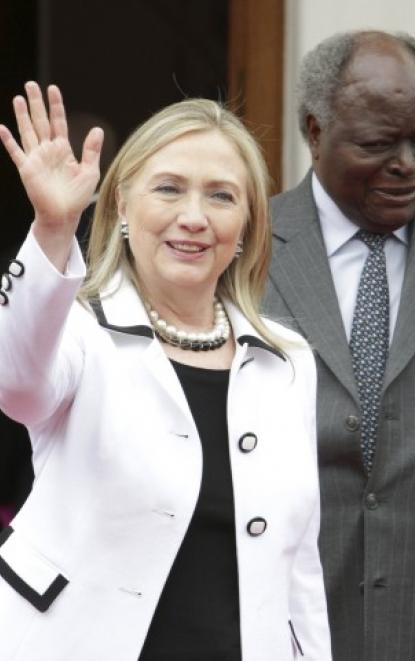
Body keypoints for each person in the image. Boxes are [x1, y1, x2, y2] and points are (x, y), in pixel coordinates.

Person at [0, 82, 332, 661]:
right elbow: (14, 382)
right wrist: (52, 229)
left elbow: (297, 568)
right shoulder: (78, 333)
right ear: (123, 206)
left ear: (249, 224)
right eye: (169, 189)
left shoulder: (289, 362)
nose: (194, 217)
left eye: (222, 196)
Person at [263, 29, 415, 661]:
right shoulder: (240, 252)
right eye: (377, 143)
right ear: (314, 132)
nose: (406, 164)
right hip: (282, 626)